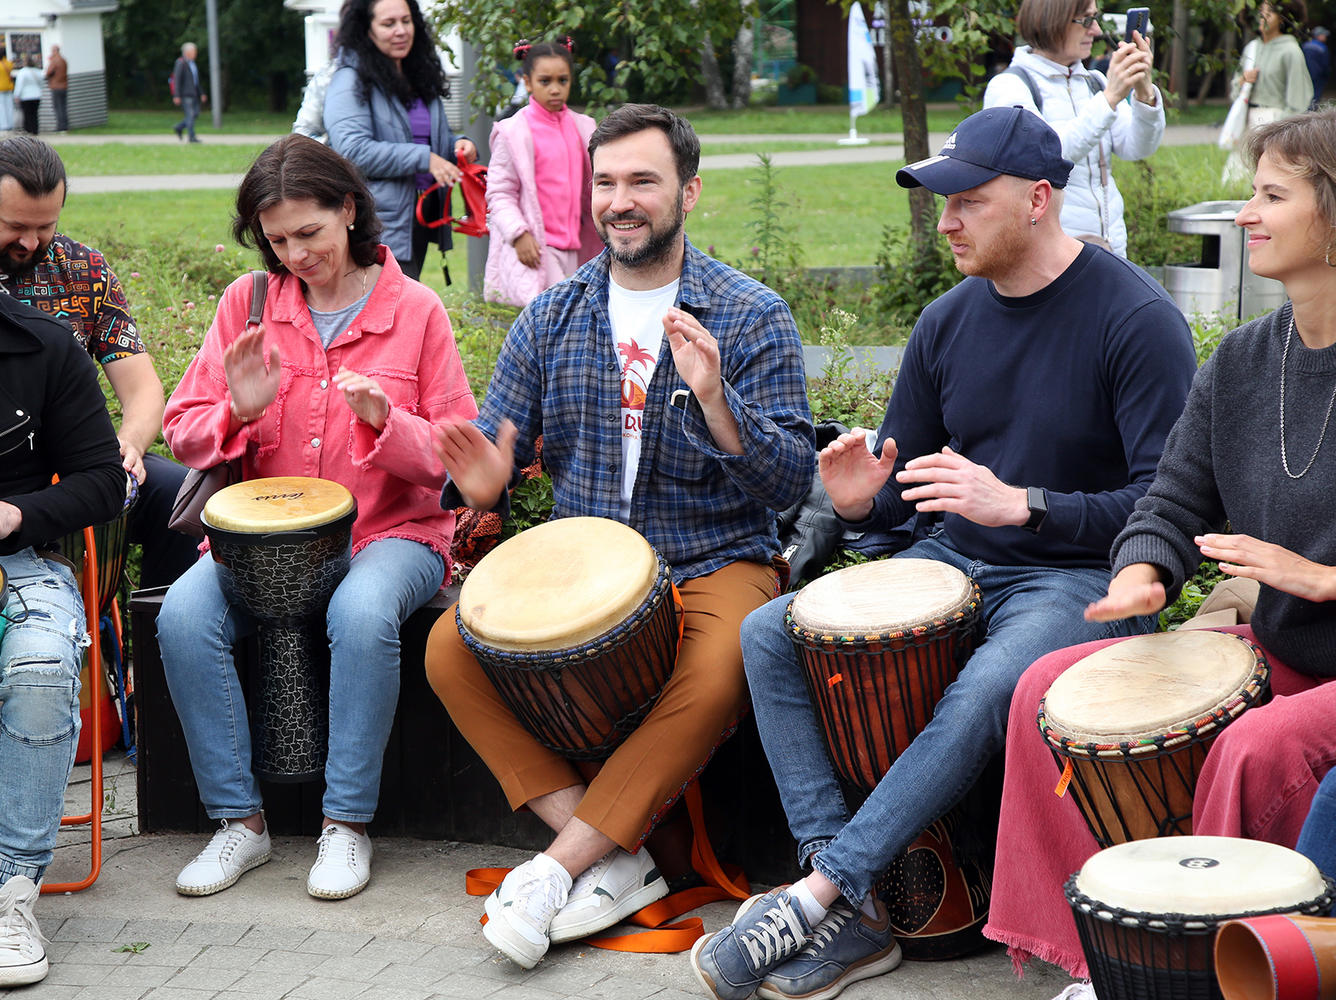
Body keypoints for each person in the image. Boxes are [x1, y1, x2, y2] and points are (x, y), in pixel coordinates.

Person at [690, 106, 1197, 1000]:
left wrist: (1025, 506)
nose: (947, 218)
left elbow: (1170, 507)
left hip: (1079, 576)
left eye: (968, 198)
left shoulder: (1137, 320)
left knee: (994, 687)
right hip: (955, 561)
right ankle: (849, 899)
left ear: (1039, 199)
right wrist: (856, 500)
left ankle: (819, 895)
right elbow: (900, 483)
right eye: (942, 199)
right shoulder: (946, 322)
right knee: (770, 632)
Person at [426, 104, 815, 970]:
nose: (620, 200)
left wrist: (717, 402)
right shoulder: (551, 317)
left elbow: (793, 483)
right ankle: (617, 852)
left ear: (688, 192)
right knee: (450, 647)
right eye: (606, 182)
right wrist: (484, 482)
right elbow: (491, 454)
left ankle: (557, 867)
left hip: (716, 558)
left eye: (643, 181)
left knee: (729, 661)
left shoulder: (751, 316)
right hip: (583, 569)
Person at [984, 107, 1336, 996]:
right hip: (1287, 650)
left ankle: (1208, 969)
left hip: (1318, 664)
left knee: (1258, 748)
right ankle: (1098, 958)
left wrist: (1320, 578)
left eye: (1270, 195)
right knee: (1046, 689)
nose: (1247, 212)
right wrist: (1145, 569)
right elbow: (1174, 496)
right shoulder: (1248, 360)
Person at [157, 134, 477, 901]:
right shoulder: (251, 302)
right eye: (278, 240)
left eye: (311, 233)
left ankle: (345, 827)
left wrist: (385, 420)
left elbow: (452, 459)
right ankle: (241, 824)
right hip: (262, 541)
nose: (296, 254)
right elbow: (183, 429)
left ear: (350, 209)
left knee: (362, 611)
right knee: (180, 616)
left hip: (389, 535)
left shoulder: (417, 310)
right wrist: (237, 409)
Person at [0, 135, 196, 589]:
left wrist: (130, 442)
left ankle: (156, 642)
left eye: (45, 226)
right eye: (15, 226)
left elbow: (142, 385)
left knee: (179, 495)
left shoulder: (84, 270)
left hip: (79, 458)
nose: (30, 242)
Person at [0, 290, 126, 987]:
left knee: (44, 667)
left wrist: (17, 512)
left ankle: (10, 894)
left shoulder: (44, 344)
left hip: (20, 561)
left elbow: (105, 482)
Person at [982, 0, 1163, 257]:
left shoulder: (1095, 83)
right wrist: (1109, 99)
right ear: (1052, 21)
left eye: (1095, 18)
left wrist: (1145, 95)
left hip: (1108, 248)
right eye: (1086, 20)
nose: (1097, 30)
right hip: (1048, 255)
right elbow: (1046, 158)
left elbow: (1137, 147)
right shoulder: (1010, 87)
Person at [325, 0, 477, 281]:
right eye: (388, 24)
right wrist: (425, 158)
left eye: (406, 21)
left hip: (416, 219)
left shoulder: (417, 76)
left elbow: (421, 136)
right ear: (366, 30)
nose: (401, 31)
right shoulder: (350, 80)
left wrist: (457, 145)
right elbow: (352, 151)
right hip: (375, 225)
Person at [483, 39, 601, 308]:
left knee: (575, 323)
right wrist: (518, 234)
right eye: (545, 81)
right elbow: (499, 193)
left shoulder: (584, 127)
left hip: (579, 247)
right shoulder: (513, 132)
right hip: (537, 248)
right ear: (527, 82)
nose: (555, 89)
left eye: (563, 80)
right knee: (552, 322)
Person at [1224, 0, 1313, 182]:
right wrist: (1242, 80)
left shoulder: (1290, 51)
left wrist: (1279, 132)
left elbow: (1299, 101)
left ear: (1283, 17)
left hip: (1274, 120)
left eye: (1269, 12)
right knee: (1237, 178)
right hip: (1246, 120)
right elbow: (1235, 90)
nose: (1263, 16)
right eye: (1260, 11)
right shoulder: (1252, 48)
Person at [171, 42, 207, 143]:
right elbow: (176, 80)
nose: (196, 53)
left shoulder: (192, 64)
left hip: (194, 93)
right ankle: (192, 137)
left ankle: (179, 127)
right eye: (194, 51)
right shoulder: (181, 62)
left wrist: (201, 93)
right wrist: (176, 95)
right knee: (190, 115)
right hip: (185, 94)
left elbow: (196, 81)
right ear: (187, 52)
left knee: (195, 114)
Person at [12, 57, 41, 137]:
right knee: (34, 114)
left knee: (27, 114)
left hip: (25, 96)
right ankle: (35, 130)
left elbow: (19, 85)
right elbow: (41, 83)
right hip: (37, 95)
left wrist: (16, 95)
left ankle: (28, 130)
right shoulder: (38, 71)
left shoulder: (22, 72)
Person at [43, 46, 67, 134]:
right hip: (64, 86)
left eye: (52, 51)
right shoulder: (63, 60)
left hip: (56, 87)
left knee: (58, 107)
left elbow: (48, 72)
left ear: (55, 51)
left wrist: (49, 62)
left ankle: (60, 127)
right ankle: (64, 126)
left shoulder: (54, 61)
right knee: (63, 107)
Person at [1304, 25, 1329, 107]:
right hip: (1318, 77)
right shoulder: (1323, 48)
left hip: (1305, 75)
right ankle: (1311, 114)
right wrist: (1326, 75)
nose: (1326, 37)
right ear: (1319, 35)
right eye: (1324, 35)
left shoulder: (1305, 45)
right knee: (1315, 97)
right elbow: (1325, 64)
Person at [0, 45, 13, 134]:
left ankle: (4, 126)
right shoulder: (9, 63)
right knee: (9, 107)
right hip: (9, 87)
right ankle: (10, 125)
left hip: (0, 88)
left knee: (2, 108)